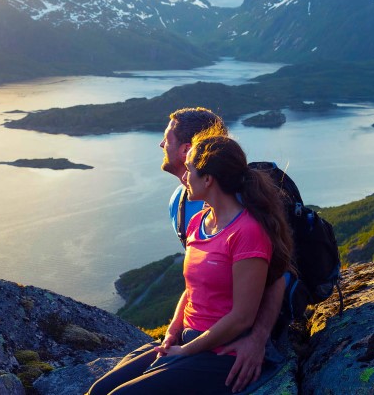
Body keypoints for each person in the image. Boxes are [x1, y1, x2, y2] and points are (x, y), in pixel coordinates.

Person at [87, 129, 293, 394]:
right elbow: (193, 289)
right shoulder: (199, 222)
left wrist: (184, 351)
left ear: (208, 179)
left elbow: (242, 318)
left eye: (189, 170)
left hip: (223, 353)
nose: (184, 177)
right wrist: (173, 331)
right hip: (190, 339)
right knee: (99, 389)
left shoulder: (247, 232)